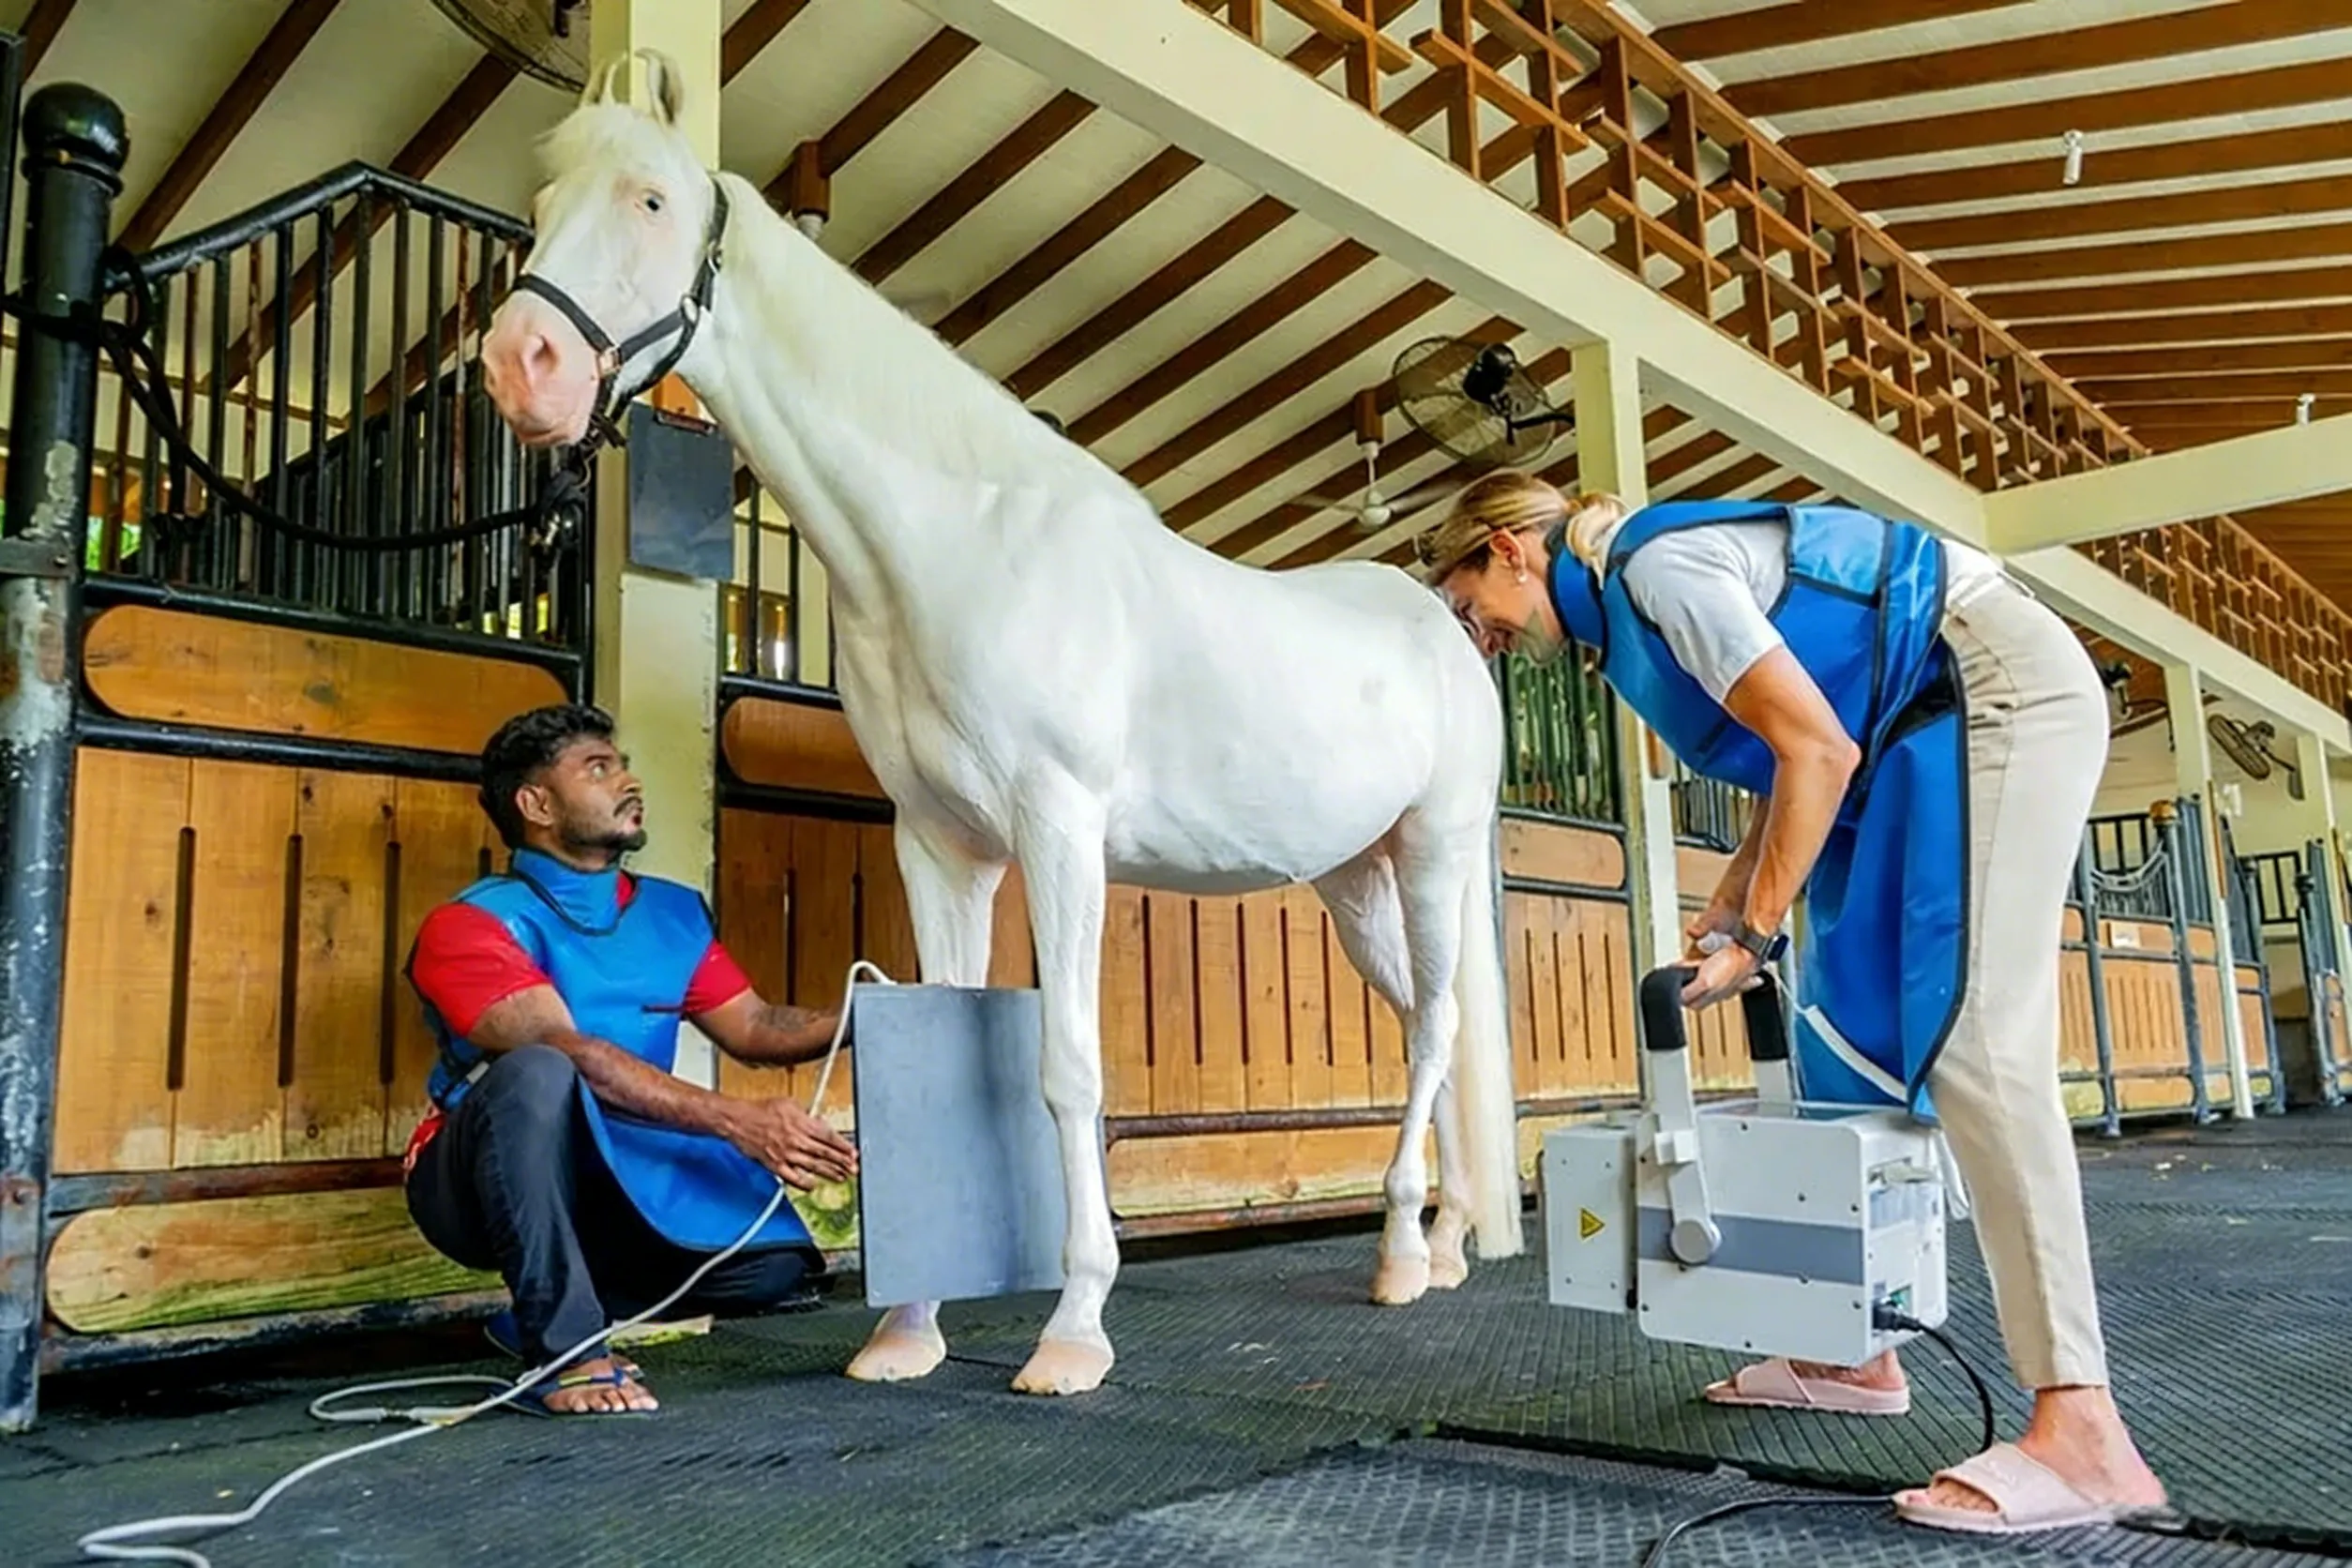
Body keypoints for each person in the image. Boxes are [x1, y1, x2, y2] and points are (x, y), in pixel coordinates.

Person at [1415, 475, 2166, 1535]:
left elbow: (1818, 748)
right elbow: (1798, 737)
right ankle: (1851, 1349)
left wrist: (1758, 932)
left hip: (1990, 689)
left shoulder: (1655, 568)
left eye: (1468, 606)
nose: (1479, 638)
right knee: (1848, 1041)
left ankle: (2084, 1429)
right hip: (1906, 726)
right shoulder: (1628, 600)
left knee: (1976, 1039)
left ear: (1507, 550)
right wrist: (1738, 898)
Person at [403, 702, 858, 1416]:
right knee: (539, 1070)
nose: (628, 780)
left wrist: (870, 1013)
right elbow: (570, 1054)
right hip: (478, 1181)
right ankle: (566, 1355)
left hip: (626, 1165)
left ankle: (550, 1306)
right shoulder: (470, 923)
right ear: (536, 804)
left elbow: (756, 1026)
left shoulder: (670, 913)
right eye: (598, 769)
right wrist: (736, 1120)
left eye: (622, 765)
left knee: (772, 1268)